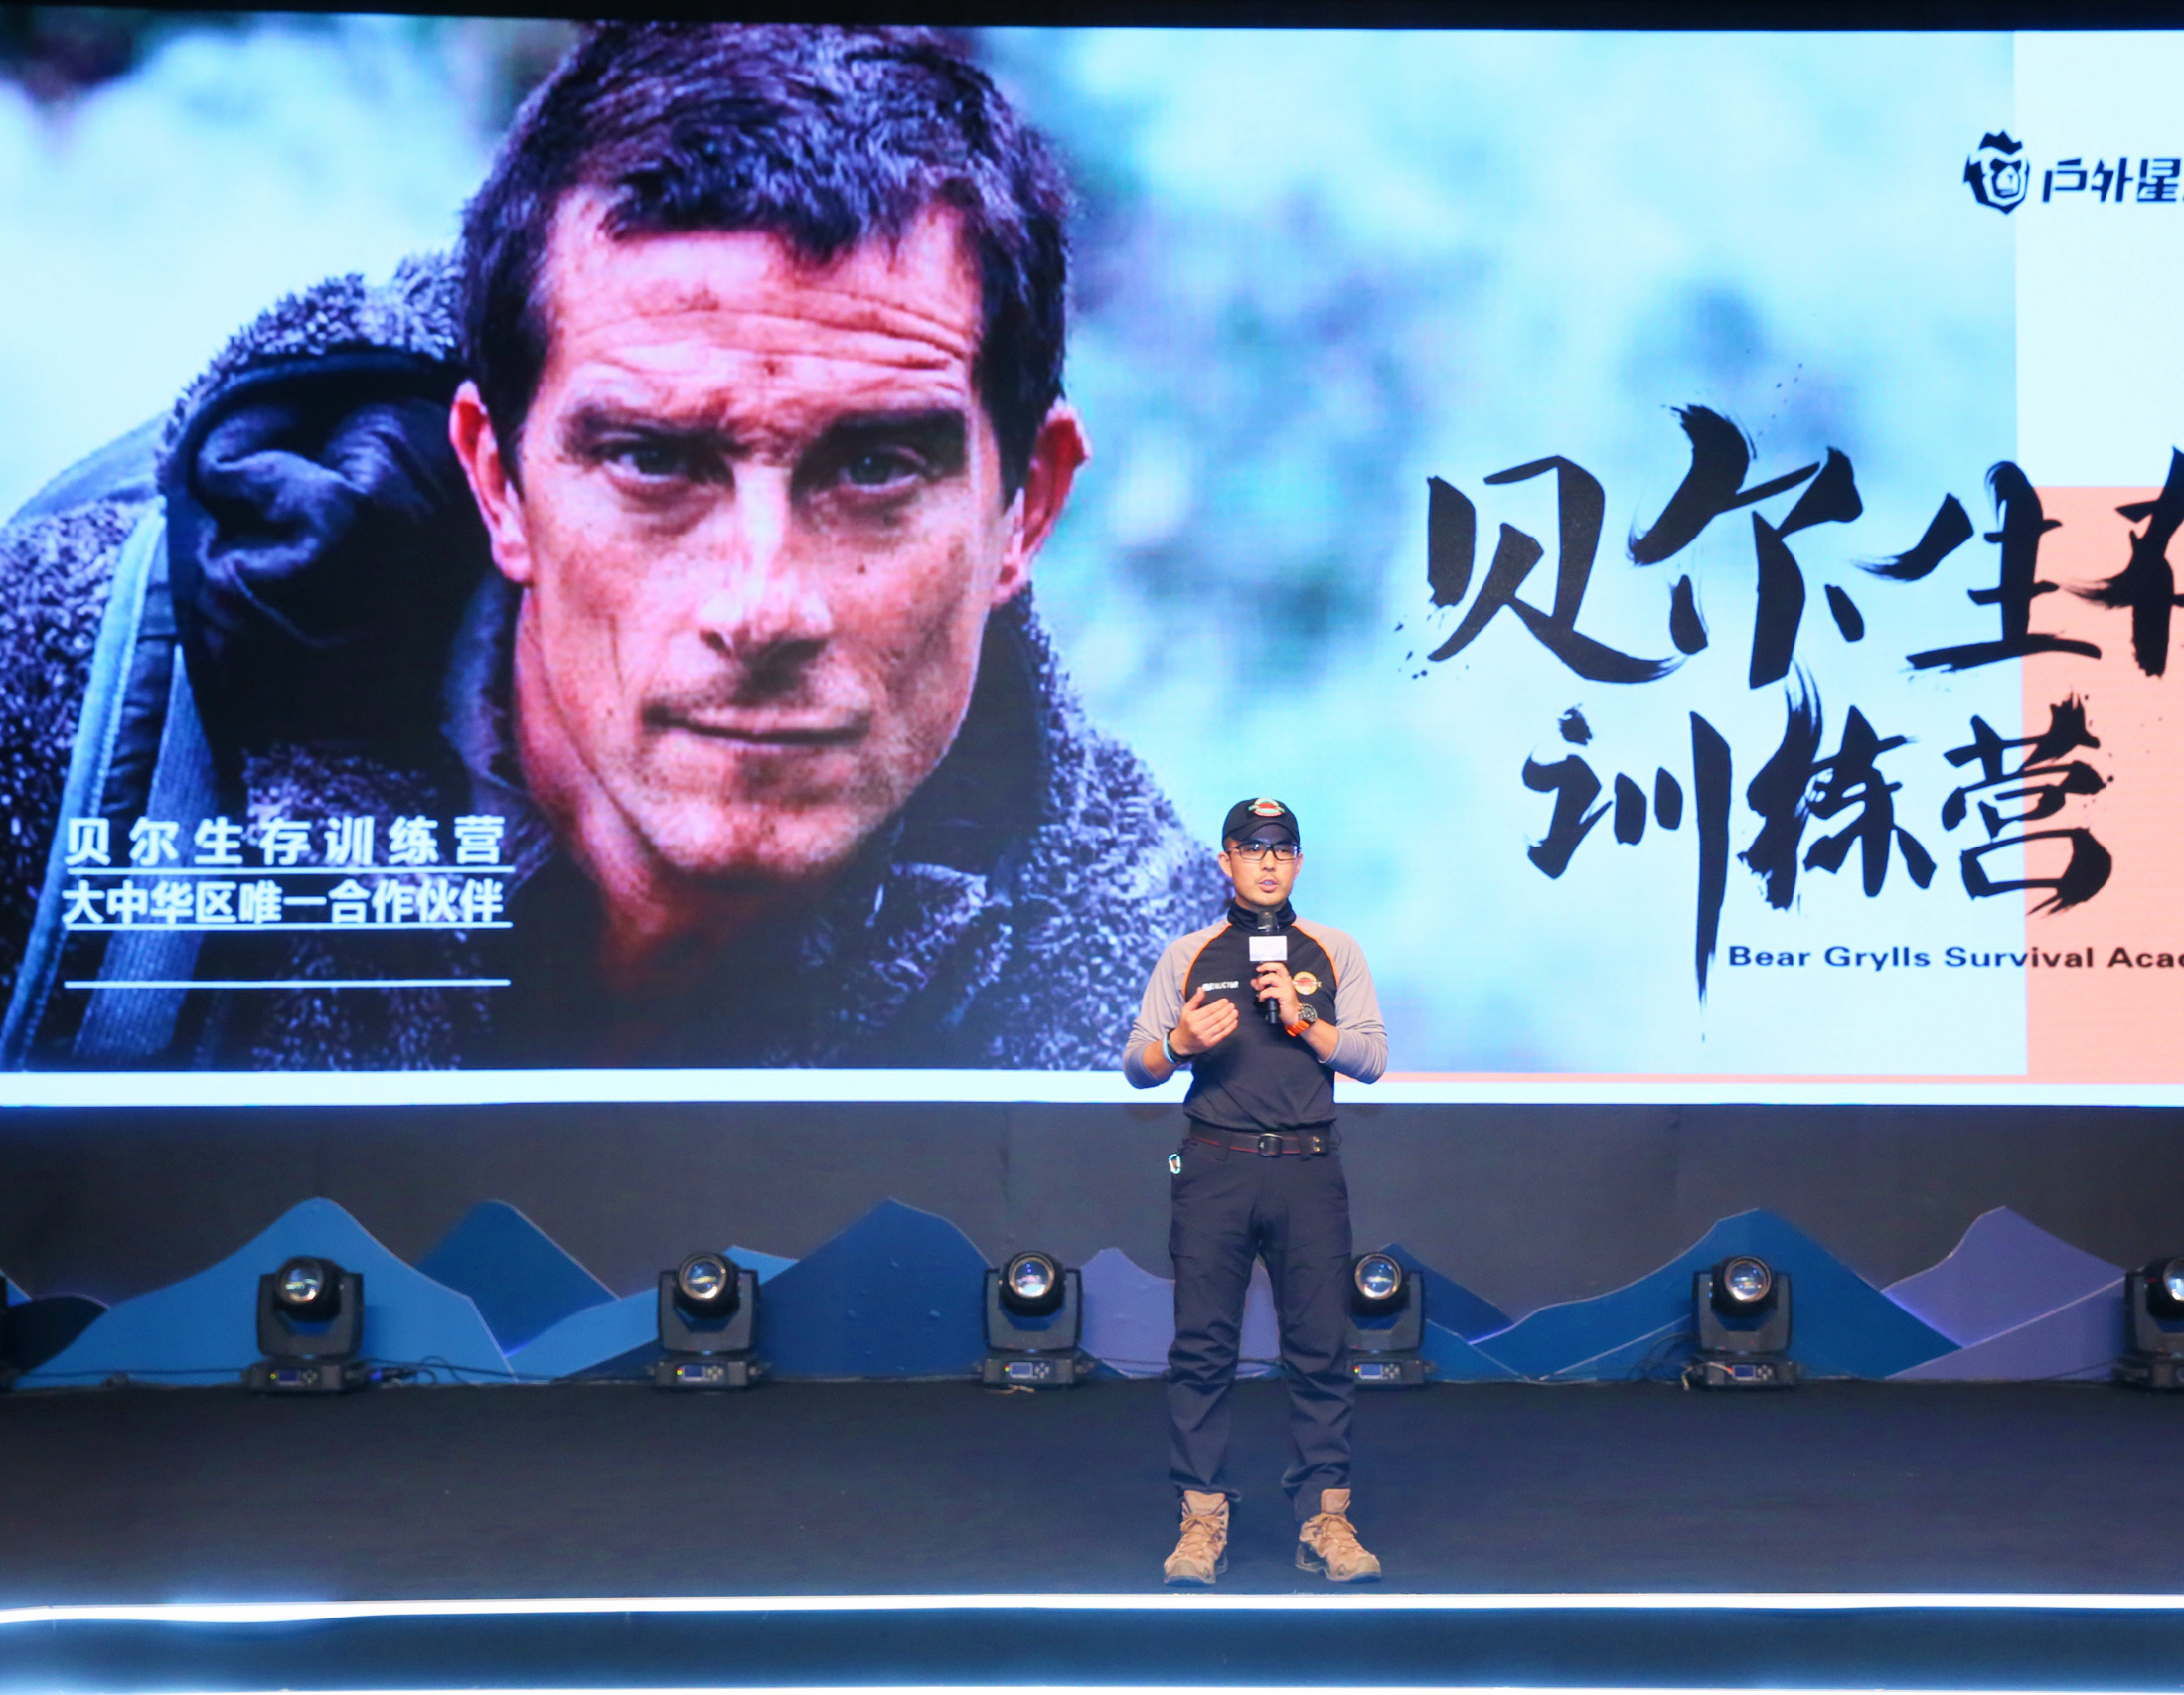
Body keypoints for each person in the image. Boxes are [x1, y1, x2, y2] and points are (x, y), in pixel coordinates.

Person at [0, 24, 1220, 1069]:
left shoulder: (1152, 989)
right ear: (498, 479)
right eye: (652, 461)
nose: (762, 604)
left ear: (1028, 506)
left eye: (872, 468)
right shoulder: (54, 720)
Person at [1123, 797, 1388, 1586]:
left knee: (1321, 1349)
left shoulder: (1334, 950)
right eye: (1251, 848)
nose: (1268, 862)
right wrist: (1177, 1044)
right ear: (1225, 862)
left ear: (1298, 863)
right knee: (1202, 1349)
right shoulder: (1188, 953)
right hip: (1214, 1166)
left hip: (1309, 1168)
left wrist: (1304, 1020)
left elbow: (1372, 1060)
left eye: (1282, 849)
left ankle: (1326, 1521)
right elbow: (1136, 1064)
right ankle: (1201, 1521)